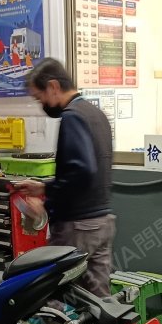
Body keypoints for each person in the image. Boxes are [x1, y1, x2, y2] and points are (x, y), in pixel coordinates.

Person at [15, 57, 115, 297]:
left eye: (40, 97)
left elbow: (82, 170)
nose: (42, 104)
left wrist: (46, 203)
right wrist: (43, 187)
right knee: (98, 298)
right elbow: (89, 170)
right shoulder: (96, 114)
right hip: (102, 221)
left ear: (53, 86)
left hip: (77, 227)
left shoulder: (72, 117)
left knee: (55, 294)